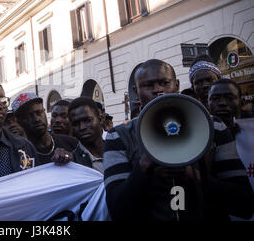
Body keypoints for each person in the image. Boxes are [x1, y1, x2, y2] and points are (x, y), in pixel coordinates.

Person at [103, 59, 254, 221]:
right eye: (148, 86)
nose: (158, 90)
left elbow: (244, 204)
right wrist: (144, 167)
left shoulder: (214, 127)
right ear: (136, 91)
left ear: (177, 85)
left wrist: (197, 177)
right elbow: (117, 210)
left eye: (164, 83)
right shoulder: (118, 136)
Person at [208, 79, 254, 220]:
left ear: (240, 101)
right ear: (207, 103)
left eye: (229, 97)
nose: (222, 103)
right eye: (215, 98)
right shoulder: (200, 140)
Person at [12, 93, 78, 165]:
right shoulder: (19, 156)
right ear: (19, 121)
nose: (37, 119)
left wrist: (72, 157)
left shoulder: (71, 143)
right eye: (29, 115)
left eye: (39, 112)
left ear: (44, 111)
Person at [68, 97, 105, 174]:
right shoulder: (72, 164)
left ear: (101, 119)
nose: (82, 127)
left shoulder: (121, 149)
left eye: (88, 120)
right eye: (75, 123)